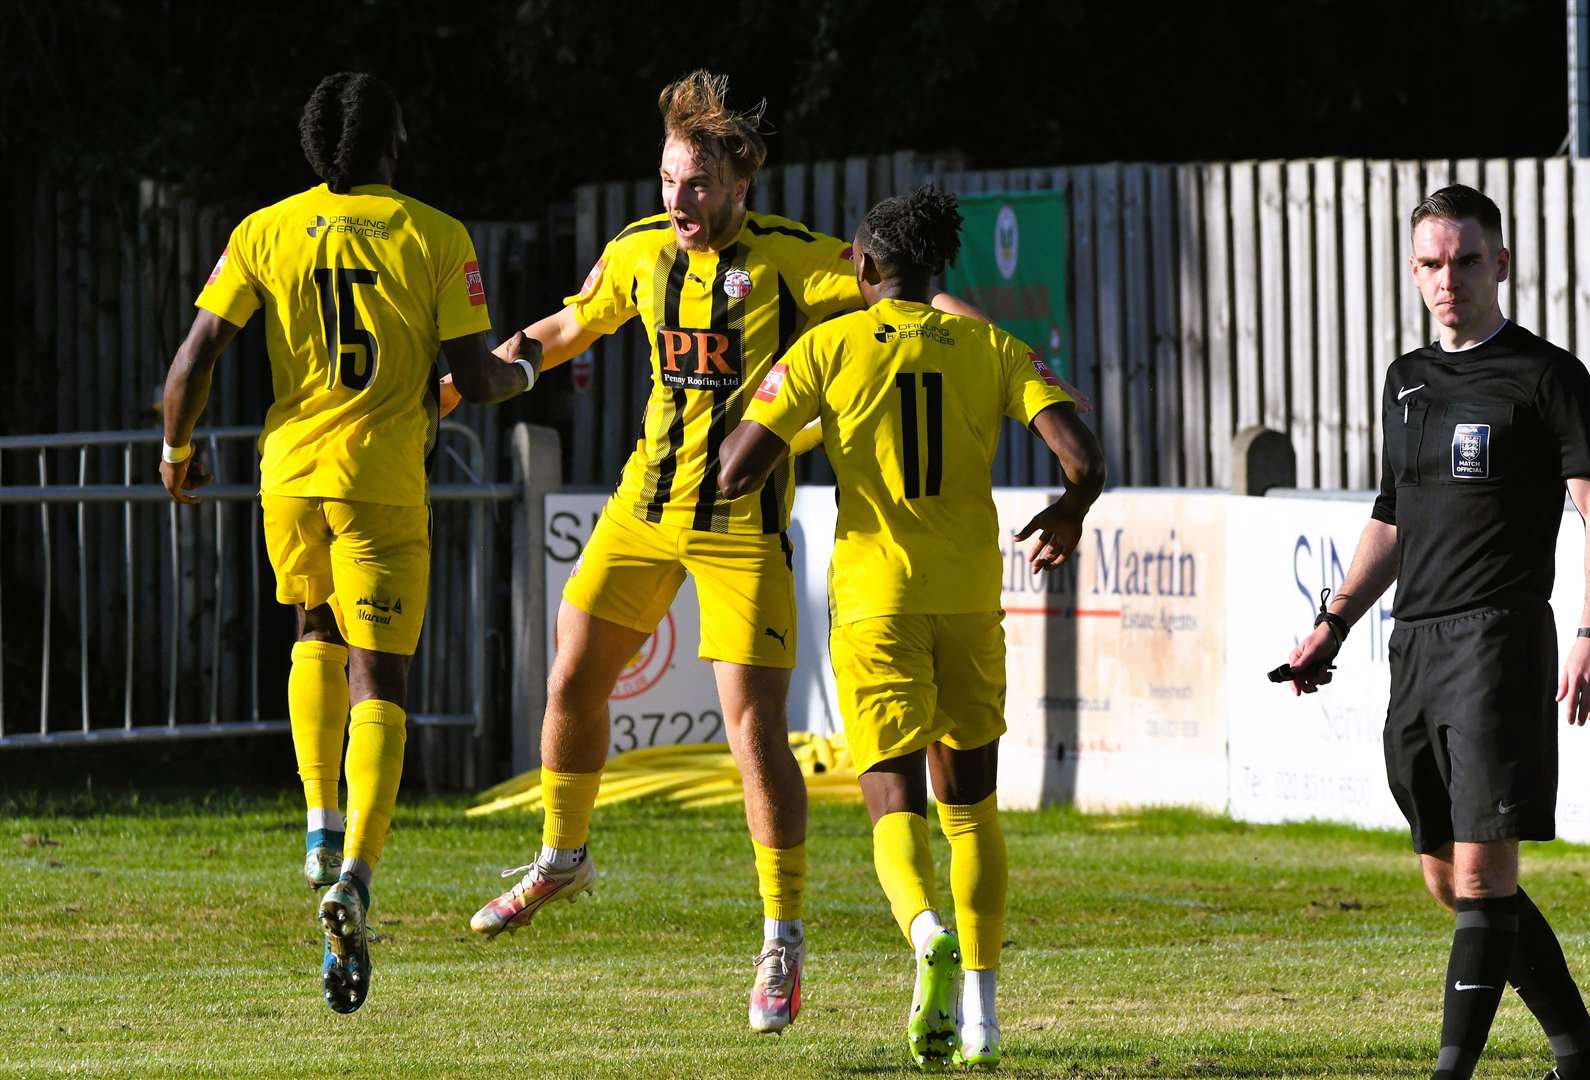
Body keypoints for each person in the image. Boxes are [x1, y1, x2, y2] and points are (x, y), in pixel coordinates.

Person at [458, 70, 1003, 1035]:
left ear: (739, 186)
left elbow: (910, 301)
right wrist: (500, 370)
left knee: (754, 738)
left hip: (741, 528)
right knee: (572, 678)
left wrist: (994, 353)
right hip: (641, 505)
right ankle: (562, 855)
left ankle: (782, 940)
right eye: (668, 180)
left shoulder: (794, 259)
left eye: (697, 185)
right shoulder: (638, 252)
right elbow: (568, 322)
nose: (679, 201)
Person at [159, 71, 541, 1015]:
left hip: (289, 475)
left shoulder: (266, 228)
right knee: (382, 679)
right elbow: (475, 378)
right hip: (380, 480)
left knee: (310, 631)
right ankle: (356, 874)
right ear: (395, 144)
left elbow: (197, 353)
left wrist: (176, 446)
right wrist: (530, 368)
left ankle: (317, 821)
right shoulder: (434, 233)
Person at [716, 186, 1105, 1069]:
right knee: (971, 810)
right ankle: (983, 1017)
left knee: (892, 795)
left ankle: (923, 928)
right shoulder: (989, 345)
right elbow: (1084, 457)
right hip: (967, 597)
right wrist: (1069, 512)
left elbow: (737, 471)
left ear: (860, 266)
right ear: (939, 271)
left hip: (875, 599)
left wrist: (788, 425)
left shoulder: (826, 346)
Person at [1281, 186, 1590, 1080]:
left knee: (1481, 880)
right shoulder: (1406, 380)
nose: (1449, 280)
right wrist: (1331, 621)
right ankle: (1583, 1059)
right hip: (1415, 645)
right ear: (1412, 272)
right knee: (1452, 881)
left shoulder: (1546, 374)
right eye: (1431, 264)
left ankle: (1450, 1074)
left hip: (1498, 642)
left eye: (1466, 261)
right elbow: (1393, 516)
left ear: (1500, 264)